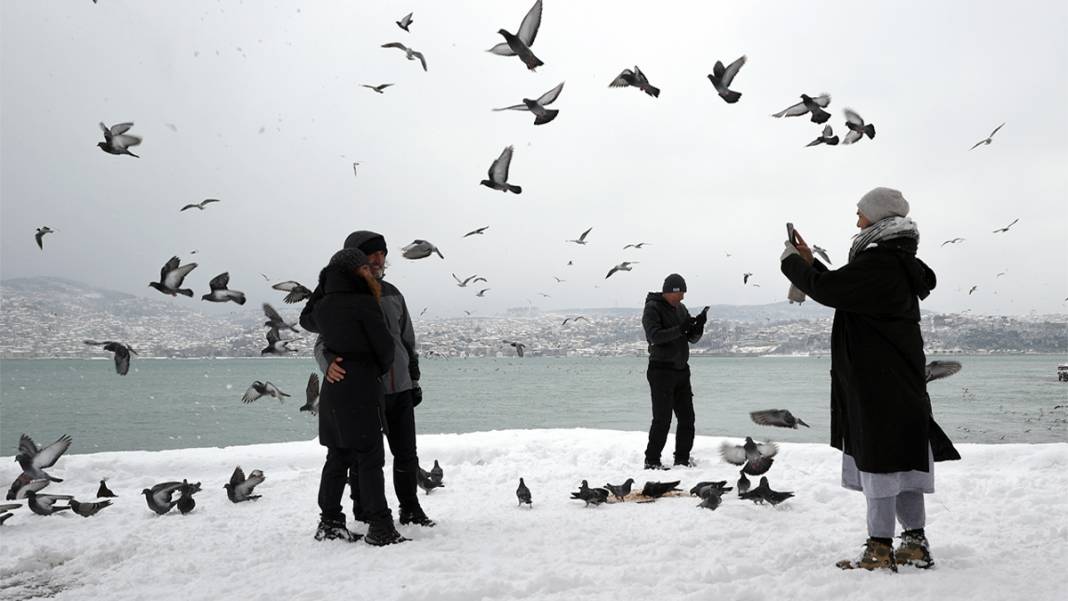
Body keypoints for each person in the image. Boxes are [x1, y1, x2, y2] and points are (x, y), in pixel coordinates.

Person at [779, 187, 959, 571]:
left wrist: (792, 263)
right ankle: (914, 543)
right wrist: (812, 262)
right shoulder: (894, 263)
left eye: (860, 213)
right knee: (906, 467)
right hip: (900, 383)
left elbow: (830, 291)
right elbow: (846, 290)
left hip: (877, 386)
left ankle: (879, 549)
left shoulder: (880, 264)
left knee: (880, 468)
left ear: (878, 219)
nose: (856, 220)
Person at [301, 230, 435, 529]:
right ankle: (363, 508)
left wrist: (413, 380)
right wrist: (326, 365)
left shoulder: (392, 293)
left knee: (406, 454)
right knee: (364, 456)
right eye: (370, 255)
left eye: (382, 254)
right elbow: (322, 340)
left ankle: (410, 508)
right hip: (363, 389)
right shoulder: (341, 295)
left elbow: (406, 340)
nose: (378, 260)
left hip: (398, 386)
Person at [302, 248, 405, 546]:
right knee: (370, 458)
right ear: (353, 272)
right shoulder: (363, 302)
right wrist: (371, 366)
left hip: (333, 389)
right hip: (361, 387)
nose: (370, 272)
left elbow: (306, 320)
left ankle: (331, 521)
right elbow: (385, 349)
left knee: (337, 457)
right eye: (364, 268)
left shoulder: (323, 306)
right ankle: (380, 527)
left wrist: (334, 356)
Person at [641, 273, 707, 469]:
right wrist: (681, 328)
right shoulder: (652, 308)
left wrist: (698, 326)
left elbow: (691, 338)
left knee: (687, 418)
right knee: (662, 419)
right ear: (670, 292)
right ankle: (652, 461)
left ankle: (682, 459)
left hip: (681, 370)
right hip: (661, 370)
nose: (682, 298)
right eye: (680, 294)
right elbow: (654, 336)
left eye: (684, 294)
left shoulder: (681, 309)